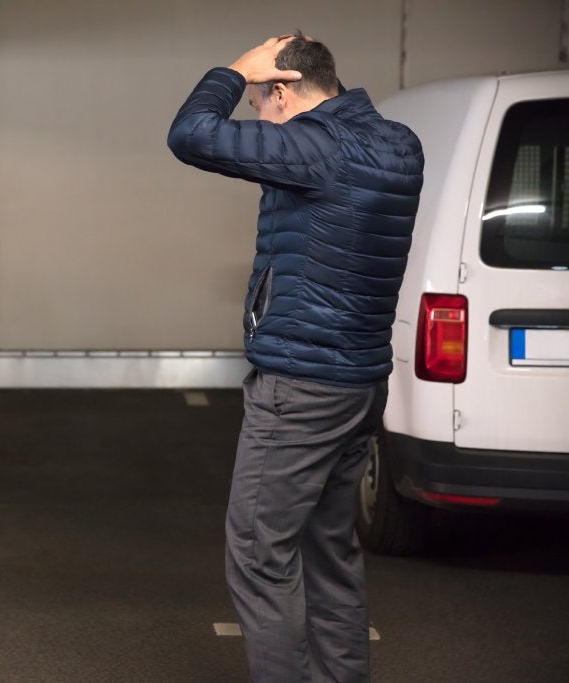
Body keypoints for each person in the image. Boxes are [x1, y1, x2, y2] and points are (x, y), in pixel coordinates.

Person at [167, 33, 424, 682]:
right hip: (359, 382)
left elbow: (191, 134)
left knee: (258, 552)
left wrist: (231, 70)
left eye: (259, 100)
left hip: (301, 387)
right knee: (329, 550)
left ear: (284, 90)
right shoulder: (399, 144)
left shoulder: (315, 145)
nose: (255, 113)